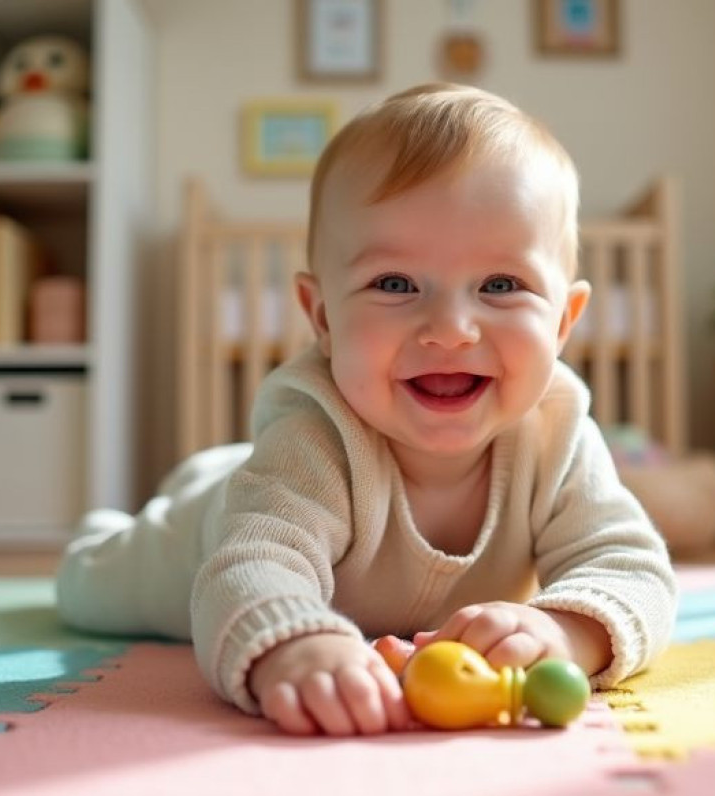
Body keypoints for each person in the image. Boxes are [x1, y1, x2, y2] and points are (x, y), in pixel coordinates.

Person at [56, 82, 677, 736]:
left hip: (261, 484)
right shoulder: (314, 441)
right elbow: (249, 568)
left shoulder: (558, 435)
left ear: (563, 322)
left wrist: (565, 630)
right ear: (322, 317)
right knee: (90, 589)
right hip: (207, 534)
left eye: (500, 285)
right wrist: (296, 646)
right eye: (395, 284)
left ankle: (223, 467)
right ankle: (112, 529)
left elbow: (633, 569)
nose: (450, 329)